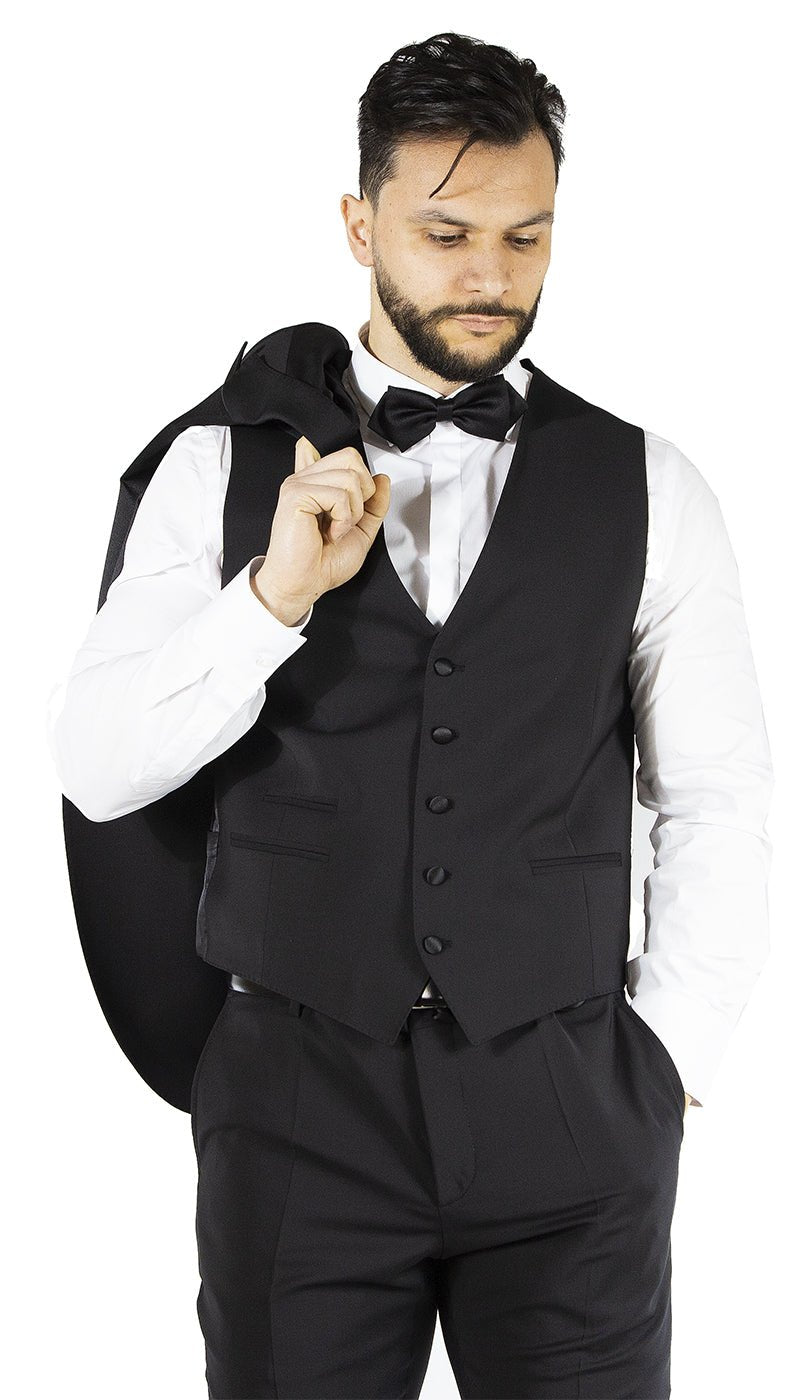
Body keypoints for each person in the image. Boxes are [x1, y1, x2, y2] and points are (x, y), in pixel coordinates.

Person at [46, 30, 774, 1400]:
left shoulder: (653, 485)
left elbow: (716, 797)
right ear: (358, 223)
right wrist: (271, 598)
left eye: (525, 237)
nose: (490, 276)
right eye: (446, 235)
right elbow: (97, 766)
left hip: (569, 1111)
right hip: (296, 1106)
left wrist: (664, 1066)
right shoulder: (216, 465)